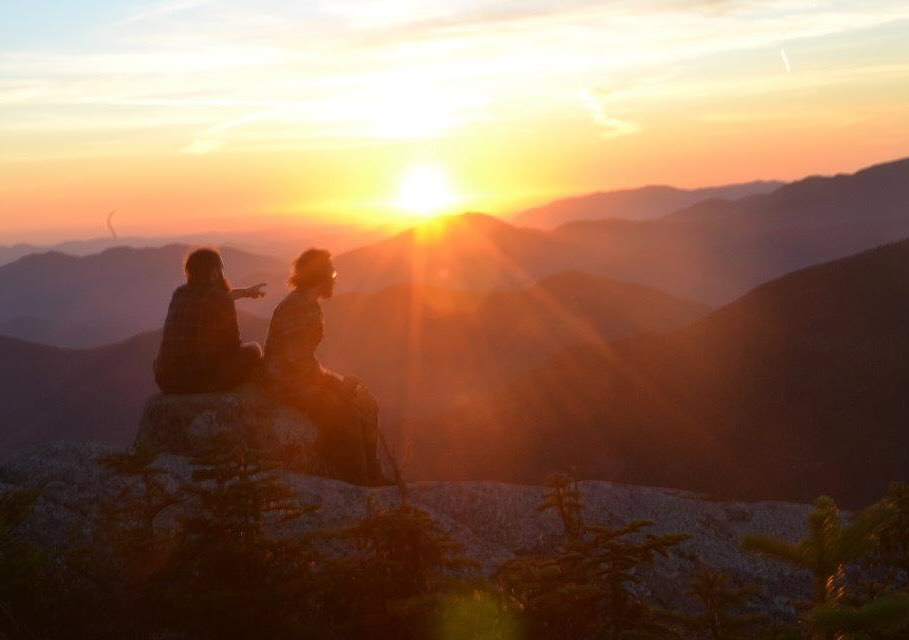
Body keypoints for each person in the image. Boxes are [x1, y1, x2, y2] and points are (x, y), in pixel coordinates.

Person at [263, 248, 385, 485]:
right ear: (319, 275)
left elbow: (304, 361)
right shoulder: (296, 308)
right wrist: (335, 383)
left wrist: (336, 380)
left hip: (299, 379)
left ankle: (372, 473)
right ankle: (359, 482)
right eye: (331, 273)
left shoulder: (308, 304)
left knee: (367, 403)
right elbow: (297, 362)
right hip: (288, 386)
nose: (334, 278)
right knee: (346, 413)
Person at [154, 247, 266, 394]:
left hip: (167, 381)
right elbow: (232, 346)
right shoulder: (220, 299)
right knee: (254, 350)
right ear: (214, 271)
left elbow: (205, 298)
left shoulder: (179, 294)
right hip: (202, 382)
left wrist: (245, 292)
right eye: (221, 269)